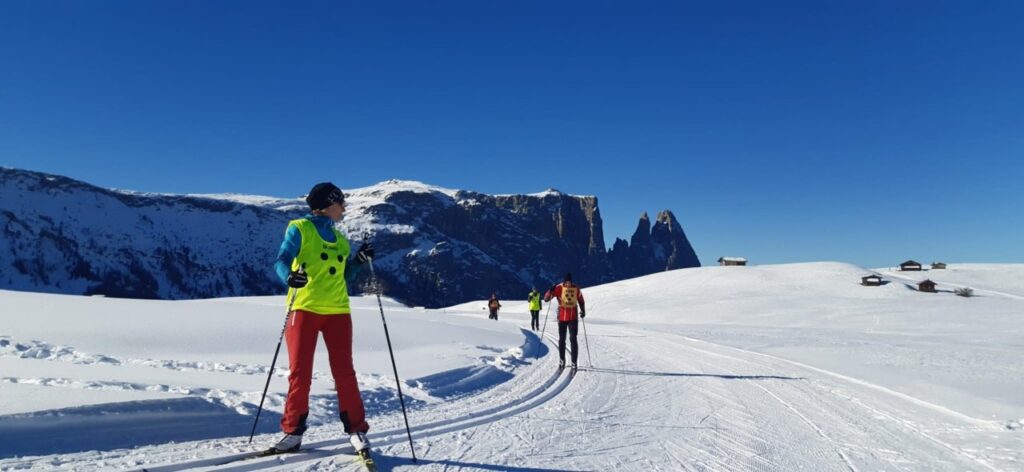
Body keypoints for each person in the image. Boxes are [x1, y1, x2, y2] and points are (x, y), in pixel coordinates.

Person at [267, 182, 375, 454]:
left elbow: (344, 275)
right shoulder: (300, 229)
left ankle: (357, 430)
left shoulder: (340, 240)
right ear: (328, 204)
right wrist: (288, 277)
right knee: (300, 374)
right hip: (304, 309)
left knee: (345, 372)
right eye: (341, 203)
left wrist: (359, 262)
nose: (345, 208)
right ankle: (293, 432)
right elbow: (281, 260)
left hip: (338, 311)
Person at [544, 272, 585, 371]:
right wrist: (550, 290)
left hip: (573, 318)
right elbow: (546, 299)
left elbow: (581, 300)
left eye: (569, 282)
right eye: (566, 282)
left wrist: (583, 310)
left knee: (573, 338)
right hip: (562, 318)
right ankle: (562, 360)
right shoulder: (558, 288)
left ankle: (574, 362)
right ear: (564, 281)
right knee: (562, 340)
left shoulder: (576, 288)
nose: (568, 284)